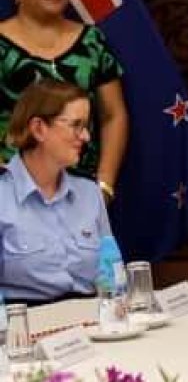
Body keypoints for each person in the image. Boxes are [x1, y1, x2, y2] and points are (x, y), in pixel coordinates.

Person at [0, 0, 128, 203]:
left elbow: (113, 115)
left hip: (81, 193)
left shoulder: (92, 41)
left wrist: (104, 185)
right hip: (10, 191)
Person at [0, 79, 112, 304]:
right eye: (76, 125)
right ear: (39, 128)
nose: (86, 137)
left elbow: (110, 276)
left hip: (92, 322)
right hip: (26, 328)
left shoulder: (90, 194)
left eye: (86, 126)